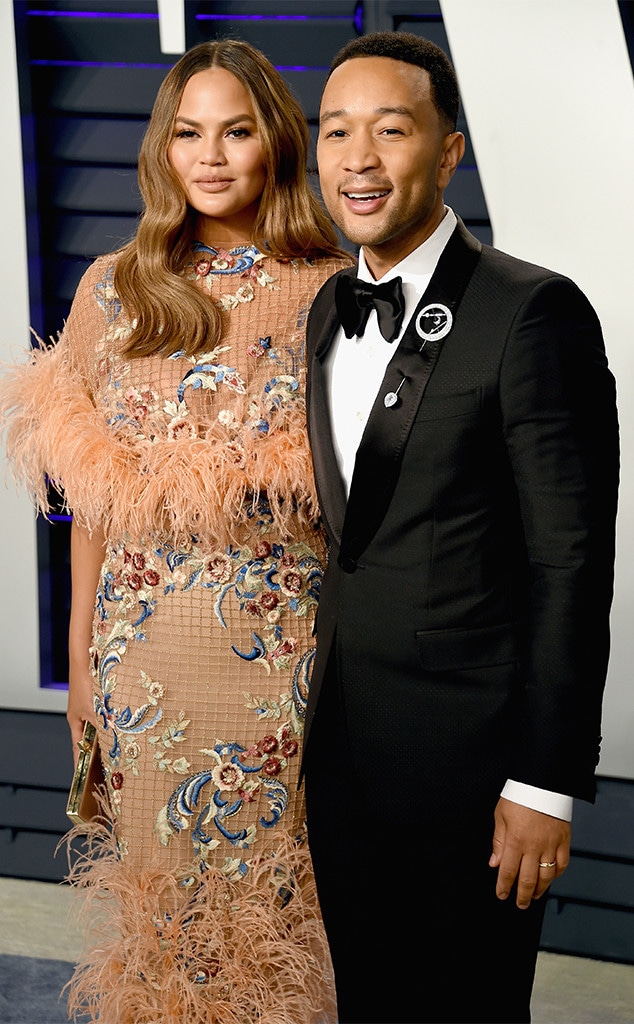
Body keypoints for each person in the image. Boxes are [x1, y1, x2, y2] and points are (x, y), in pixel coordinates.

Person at [0, 39, 351, 1024]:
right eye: (188, 133)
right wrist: (78, 657)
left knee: (282, 911)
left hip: (286, 654)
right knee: (163, 924)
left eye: (236, 130)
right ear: (160, 150)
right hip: (143, 655)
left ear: (273, 142)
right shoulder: (114, 288)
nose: (212, 155)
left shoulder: (331, 285)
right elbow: (93, 497)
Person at [301, 30, 619, 1024]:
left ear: (445, 152)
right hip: (345, 754)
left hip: (474, 767)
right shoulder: (324, 308)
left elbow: (570, 561)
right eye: (336, 131)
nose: (357, 158)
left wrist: (544, 782)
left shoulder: (533, 312)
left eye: (389, 130)